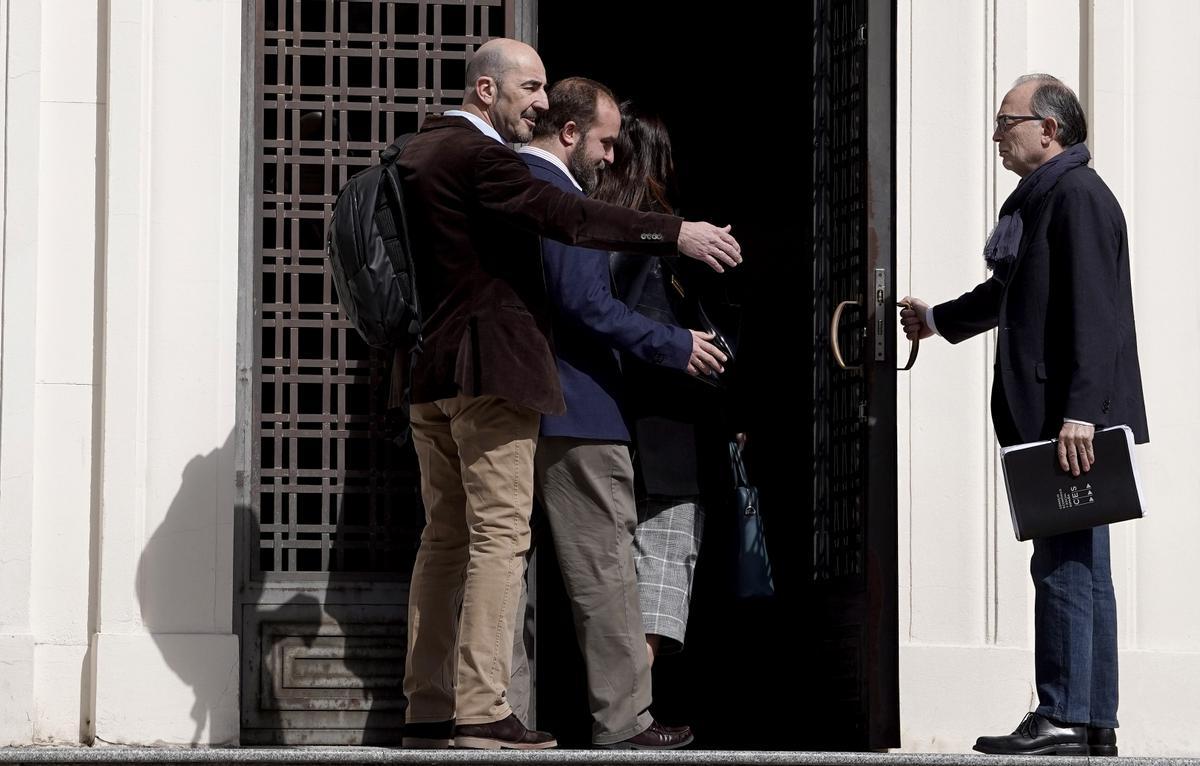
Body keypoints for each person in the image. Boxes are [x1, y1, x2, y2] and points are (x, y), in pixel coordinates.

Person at [391, 38, 742, 751]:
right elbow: (574, 229)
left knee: (450, 546)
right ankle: (500, 713)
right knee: (508, 547)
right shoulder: (497, 165)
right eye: (530, 89)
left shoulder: (417, 151)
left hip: (432, 374)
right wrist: (675, 234)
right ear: (487, 92)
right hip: (507, 383)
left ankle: (440, 707)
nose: (542, 103)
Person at [899, 74, 1147, 758]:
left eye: (1006, 121)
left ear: (1050, 129)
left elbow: (1097, 316)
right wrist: (938, 322)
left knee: (1064, 564)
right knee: (1080, 563)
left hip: (1066, 421)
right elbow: (1009, 293)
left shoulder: (1075, 197)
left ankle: (1063, 713)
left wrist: (1079, 415)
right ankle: (1092, 720)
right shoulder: (1046, 202)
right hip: (1063, 417)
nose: (995, 135)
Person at [506, 78, 723, 749]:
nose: (608, 157)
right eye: (603, 142)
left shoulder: (500, 184)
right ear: (569, 134)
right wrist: (676, 342)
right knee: (603, 572)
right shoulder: (558, 196)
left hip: (509, 406)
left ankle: (496, 714)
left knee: (501, 568)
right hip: (578, 409)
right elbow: (586, 306)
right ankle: (625, 721)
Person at [598, 103, 741, 669]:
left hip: (601, 421)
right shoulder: (669, 242)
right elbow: (679, 335)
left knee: (605, 567)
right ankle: (633, 709)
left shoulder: (587, 225)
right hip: (665, 430)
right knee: (659, 561)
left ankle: (619, 708)